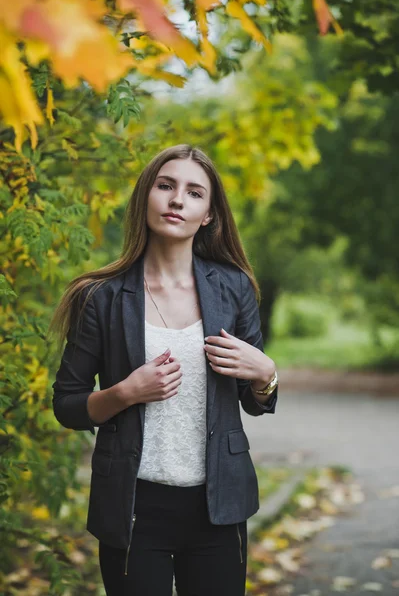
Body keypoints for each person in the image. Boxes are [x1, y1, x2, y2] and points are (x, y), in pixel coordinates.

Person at [49, 144, 279, 596]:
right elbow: (68, 405)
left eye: (194, 193)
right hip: (133, 508)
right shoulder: (101, 297)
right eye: (166, 186)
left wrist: (265, 373)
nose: (177, 200)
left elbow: (256, 402)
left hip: (218, 508)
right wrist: (125, 392)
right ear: (146, 197)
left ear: (208, 214)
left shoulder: (233, 288)